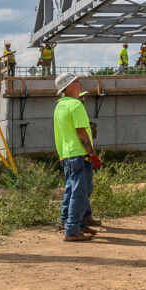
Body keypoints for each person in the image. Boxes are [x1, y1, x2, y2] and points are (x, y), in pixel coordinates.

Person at [53, 74, 101, 242]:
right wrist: (92, 154)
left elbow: (58, 134)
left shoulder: (59, 107)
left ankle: (77, 224)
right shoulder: (76, 105)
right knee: (80, 193)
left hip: (68, 155)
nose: (79, 84)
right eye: (76, 82)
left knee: (75, 190)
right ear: (68, 87)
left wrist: (61, 155)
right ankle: (72, 230)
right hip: (80, 154)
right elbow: (81, 133)